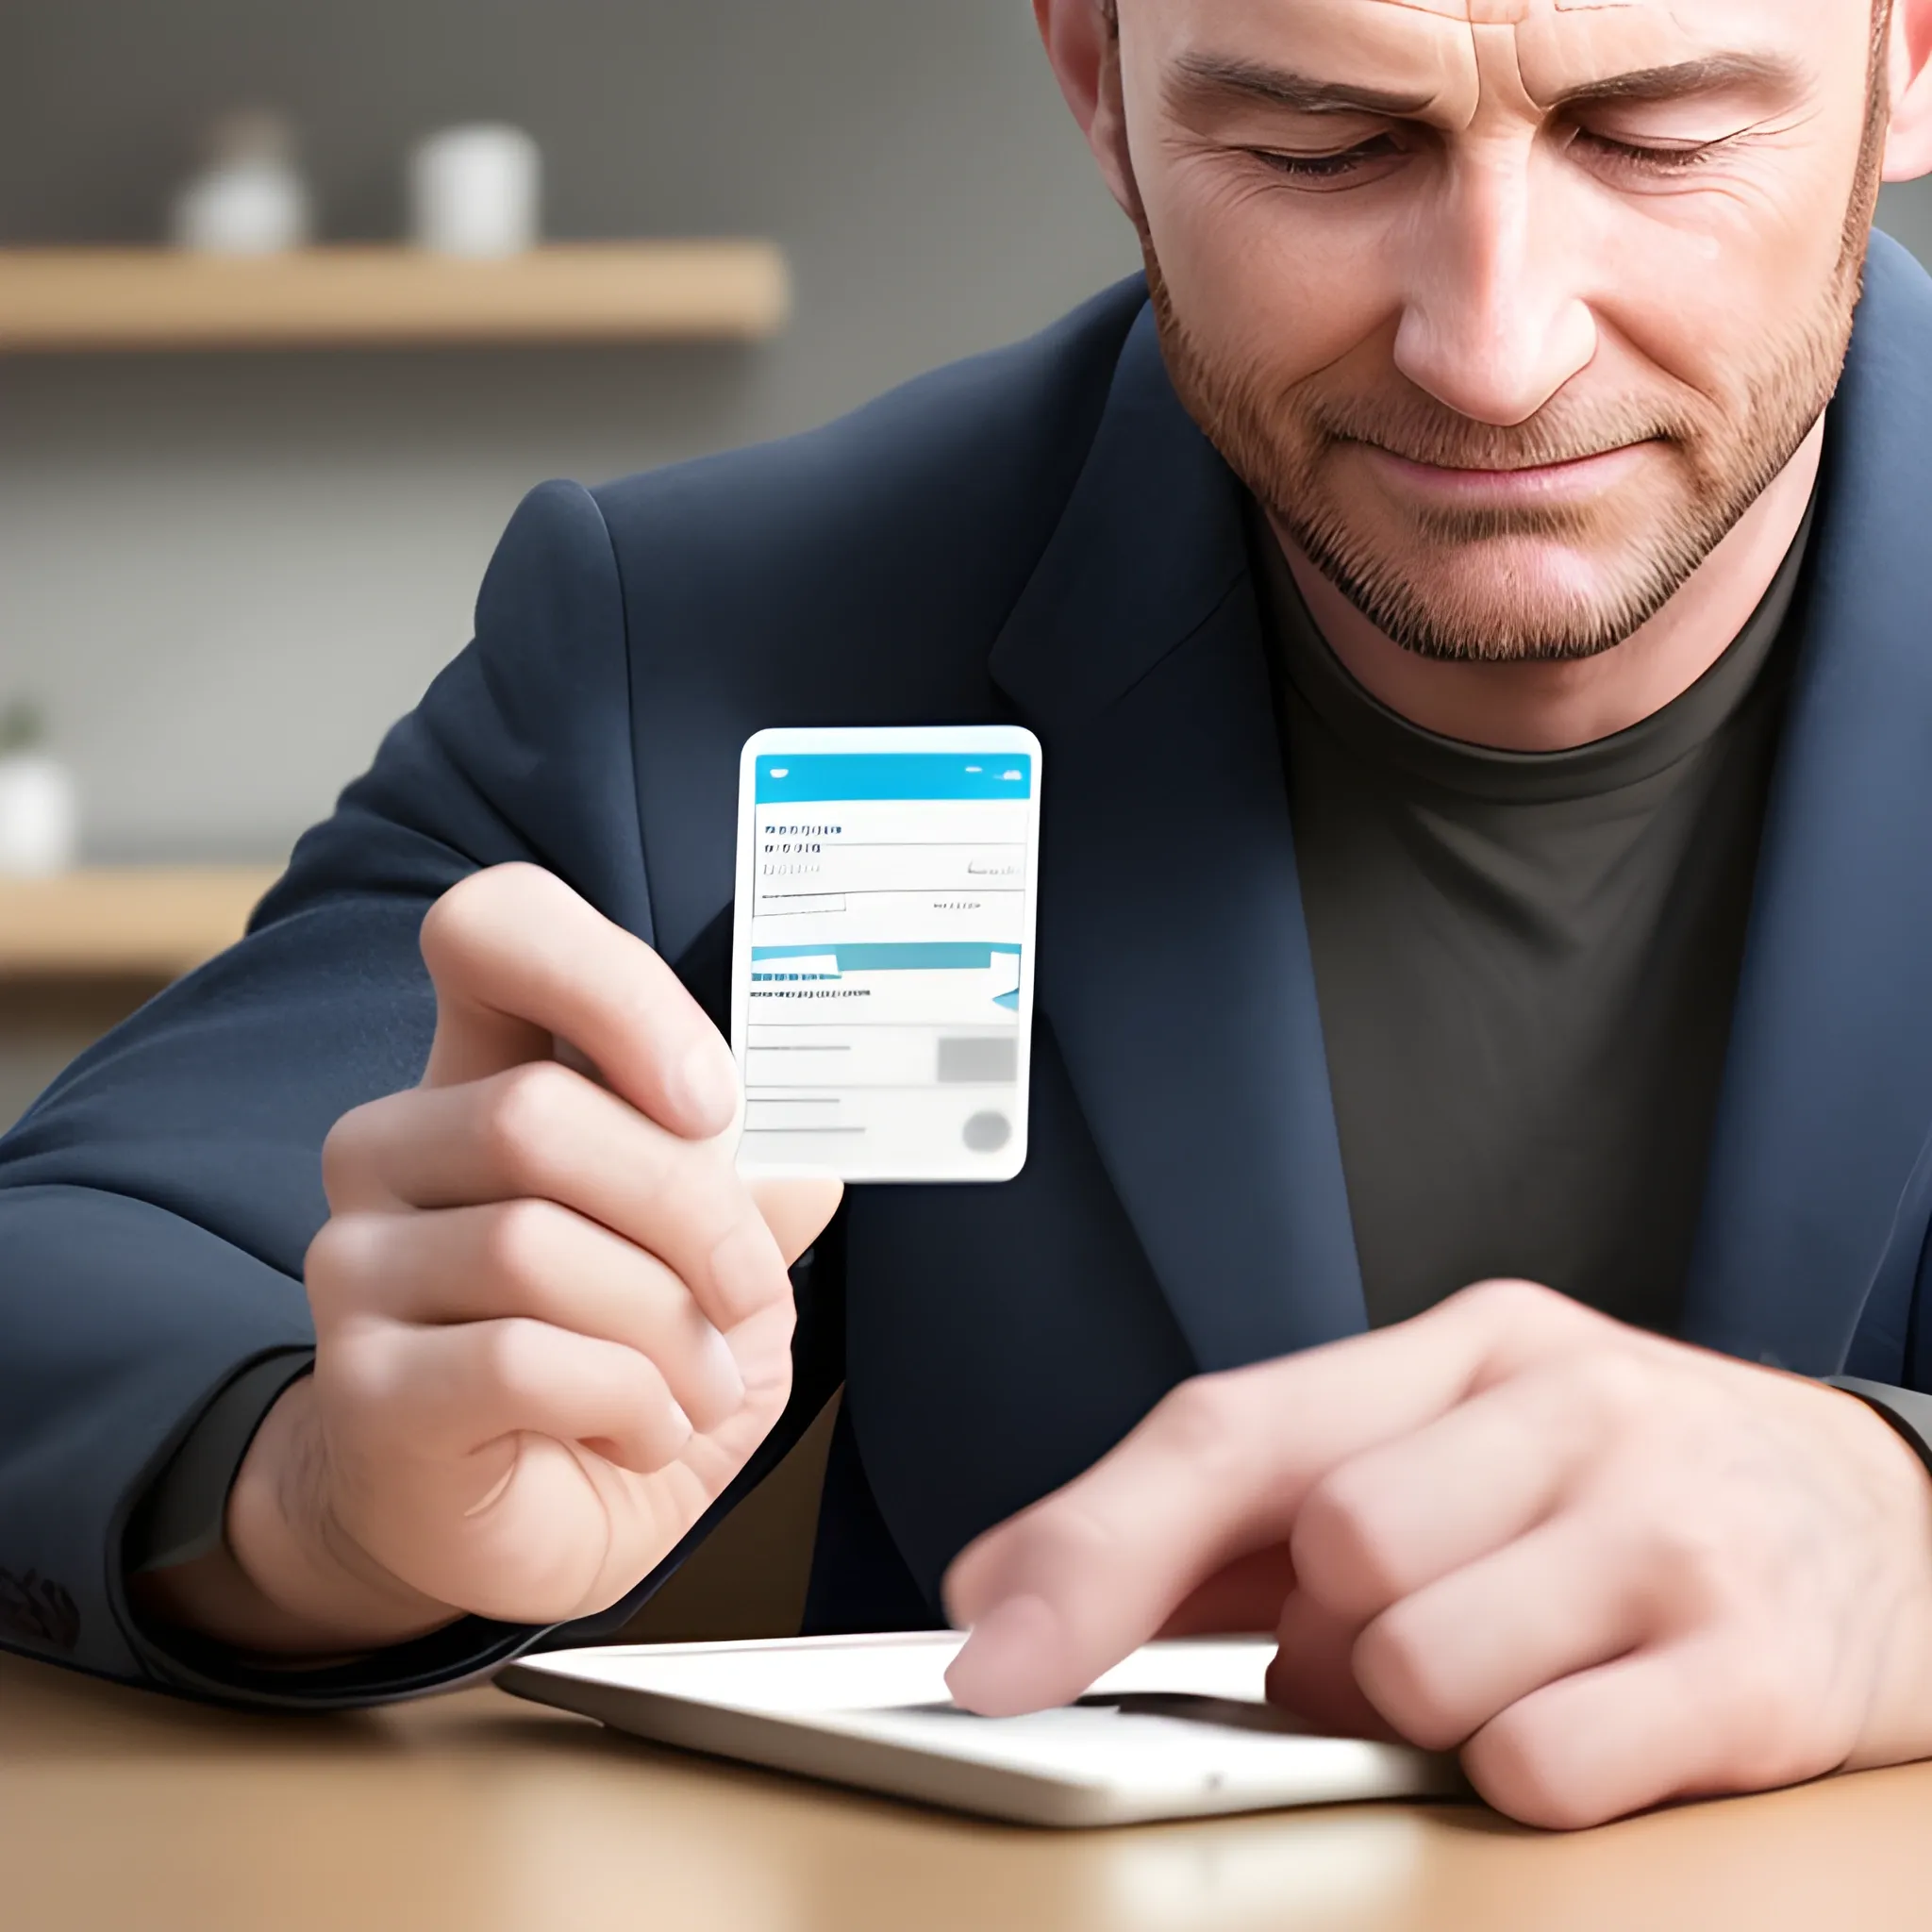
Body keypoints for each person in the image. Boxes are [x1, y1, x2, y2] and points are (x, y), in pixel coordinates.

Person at [5, 0, 1932, 1831]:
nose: (1491, 354)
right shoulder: (715, 636)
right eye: (1317, 144)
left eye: (1656, 137)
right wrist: (319, 1506)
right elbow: (69, 1278)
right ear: (1096, 80)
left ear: (1903, 60)